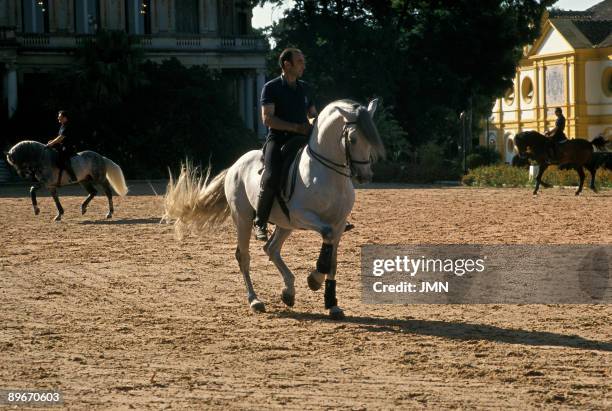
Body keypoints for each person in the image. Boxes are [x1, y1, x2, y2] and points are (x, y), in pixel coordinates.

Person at [253, 48, 317, 241]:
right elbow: (268, 119)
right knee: (272, 176)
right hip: (278, 139)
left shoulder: (305, 87)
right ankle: (260, 222)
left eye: (303, 61)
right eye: (299, 62)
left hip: (303, 139)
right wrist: (297, 127)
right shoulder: (271, 88)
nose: (303, 65)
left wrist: (315, 123)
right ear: (286, 64)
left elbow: (312, 114)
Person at [46, 110, 77, 183]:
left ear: (65, 118)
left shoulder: (67, 126)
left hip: (69, 147)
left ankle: (73, 177)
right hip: (63, 146)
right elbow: (59, 138)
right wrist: (52, 141)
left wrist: (52, 143)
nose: (58, 118)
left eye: (60, 117)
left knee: (63, 158)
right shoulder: (62, 126)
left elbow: (61, 138)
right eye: (58, 117)